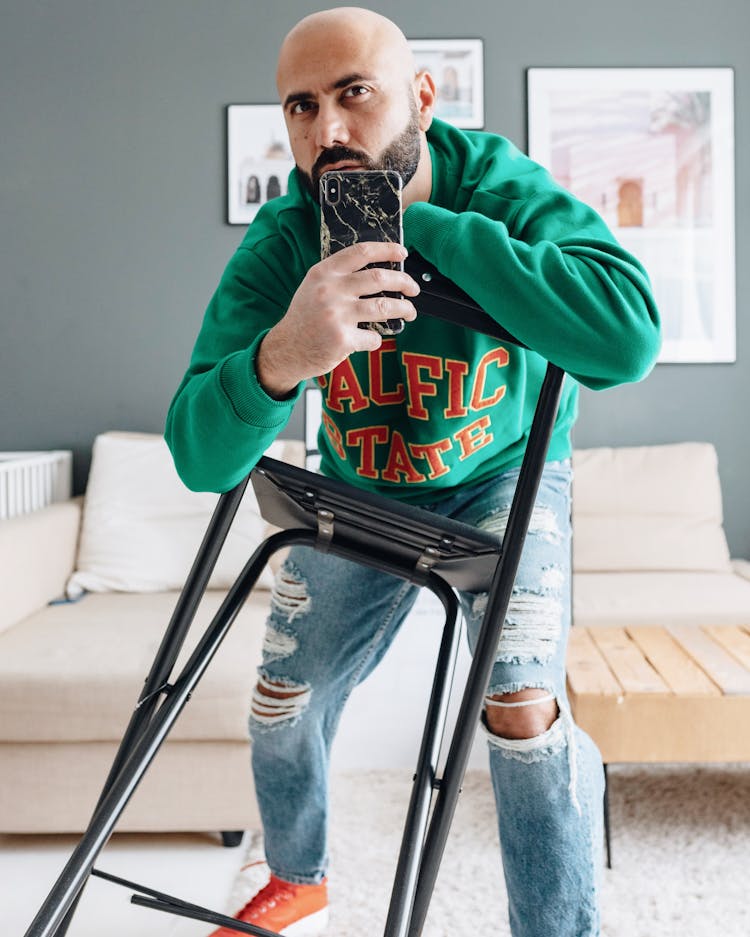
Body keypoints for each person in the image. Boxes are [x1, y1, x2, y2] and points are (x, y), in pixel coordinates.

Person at [165, 8, 660, 936]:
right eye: (301, 109)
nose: (329, 133)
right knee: (282, 696)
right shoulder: (285, 242)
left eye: (355, 93)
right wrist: (281, 356)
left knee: (520, 700)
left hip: (505, 475)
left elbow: (626, 337)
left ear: (422, 98)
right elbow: (198, 454)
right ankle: (299, 873)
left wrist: (421, 230)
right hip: (361, 487)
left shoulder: (500, 188)